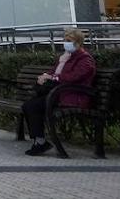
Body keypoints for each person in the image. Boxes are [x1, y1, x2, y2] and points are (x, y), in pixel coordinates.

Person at [22, 28, 96, 156]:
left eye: (69, 41)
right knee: (29, 105)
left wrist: (53, 77)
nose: (66, 43)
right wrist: (45, 76)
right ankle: (39, 141)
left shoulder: (85, 60)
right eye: (65, 40)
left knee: (33, 106)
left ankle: (40, 142)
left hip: (72, 97)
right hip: (59, 94)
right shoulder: (66, 57)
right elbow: (55, 72)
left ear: (78, 43)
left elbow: (73, 77)